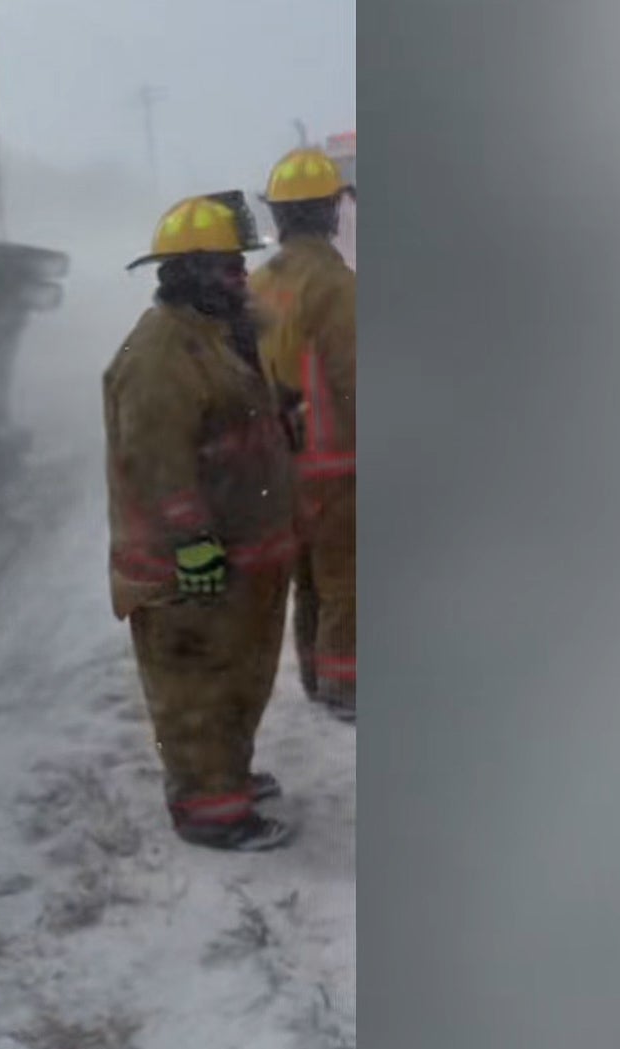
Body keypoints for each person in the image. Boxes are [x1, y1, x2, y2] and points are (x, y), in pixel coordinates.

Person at [104, 193, 301, 852]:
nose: (241, 276)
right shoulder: (162, 352)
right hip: (188, 566)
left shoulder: (220, 336)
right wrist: (191, 541)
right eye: (225, 266)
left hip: (239, 554)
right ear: (186, 271)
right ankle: (210, 810)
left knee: (239, 676)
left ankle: (227, 777)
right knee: (196, 687)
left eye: (239, 263)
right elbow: (155, 459)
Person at [249, 148, 358, 721]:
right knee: (347, 575)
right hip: (334, 458)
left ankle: (318, 678)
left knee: (309, 578)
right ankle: (346, 686)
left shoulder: (257, 283)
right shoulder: (337, 286)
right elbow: (354, 376)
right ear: (331, 211)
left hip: (278, 459)